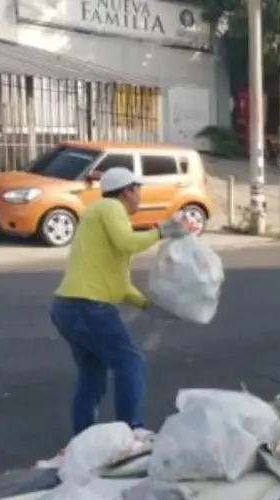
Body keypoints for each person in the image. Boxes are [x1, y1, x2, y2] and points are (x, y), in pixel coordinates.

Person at [50, 167, 199, 438]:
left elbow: (119, 284)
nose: (139, 196)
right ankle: (132, 431)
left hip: (67, 307)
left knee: (92, 375)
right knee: (130, 362)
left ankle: (83, 439)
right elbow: (127, 242)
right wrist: (165, 229)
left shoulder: (99, 216)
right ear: (127, 190)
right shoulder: (109, 206)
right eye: (138, 189)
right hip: (88, 307)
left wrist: (149, 307)